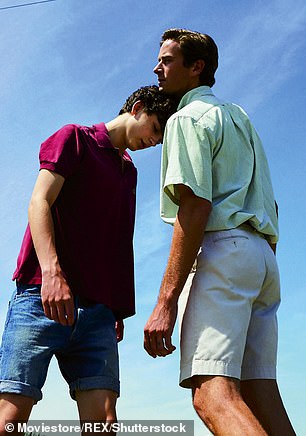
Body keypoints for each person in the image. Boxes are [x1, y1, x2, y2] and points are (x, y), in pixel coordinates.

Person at [144, 29, 296, 435]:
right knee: (260, 391)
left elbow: (194, 206)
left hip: (223, 251)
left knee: (211, 392)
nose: (157, 68)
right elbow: (271, 201)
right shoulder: (240, 117)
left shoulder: (186, 119)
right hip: (262, 256)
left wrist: (165, 302)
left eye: (167, 60)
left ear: (197, 68)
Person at [0, 85, 176, 434]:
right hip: (39, 299)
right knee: (10, 421)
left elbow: (118, 241)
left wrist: (118, 309)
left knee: (104, 426)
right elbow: (39, 203)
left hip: (97, 315)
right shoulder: (74, 139)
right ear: (137, 107)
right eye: (155, 129)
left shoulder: (129, 173)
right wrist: (51, 273)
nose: (155, 142)